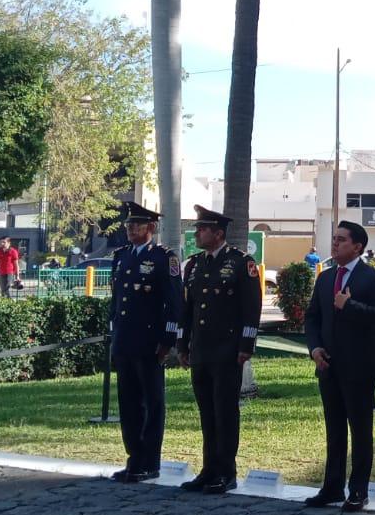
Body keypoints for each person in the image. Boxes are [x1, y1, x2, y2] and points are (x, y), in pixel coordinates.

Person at [303, 221, 375, 512]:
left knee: (360, 429)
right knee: (334, 428)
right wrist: (315, 348)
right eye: (334, 238)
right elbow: (312, 317)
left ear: (357, 246)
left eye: (342, 240)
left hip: (360, 367)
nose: (335, 243)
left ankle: (358, 490)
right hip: (328, 364)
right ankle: (332, 487)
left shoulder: (372, 277)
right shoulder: (326, 277)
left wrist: (349, 305)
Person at [177, 206, 262, 494]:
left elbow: (251, 308)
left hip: (227, 350)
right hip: (201, 349)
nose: (197, 234)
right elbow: (187, 308)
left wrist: (246, 345)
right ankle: (209, 469)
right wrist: (182, 343)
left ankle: (226, 472)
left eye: (202, 229)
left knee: (225, 412)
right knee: (207, 412)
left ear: (218, 233)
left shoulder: (240, 262)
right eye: (198, 229)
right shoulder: (194, 264)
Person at [108, 202, 183, 484]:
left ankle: (150, 462)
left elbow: (174, 302)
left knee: (152, 403)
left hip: (150, 342)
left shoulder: (164, 258)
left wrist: (168, 339)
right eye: (129, 225)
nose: (131, 229)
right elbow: (117, 299)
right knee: (128, 404)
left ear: (151, 227)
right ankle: (134, 459)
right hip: (124, 340)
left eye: (137, 225)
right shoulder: (122, 256)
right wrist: (113, 330)